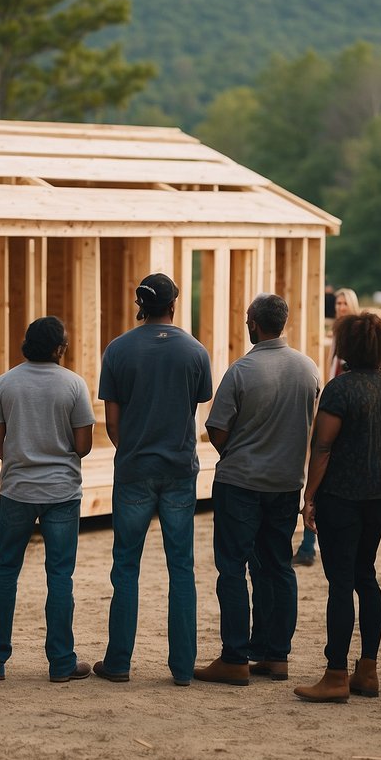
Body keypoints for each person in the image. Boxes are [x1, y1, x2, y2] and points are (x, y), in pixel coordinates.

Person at [194, 294, 320, 687]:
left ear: (254, 324)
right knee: (277, 566)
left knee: (232, 568)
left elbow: (216, 427)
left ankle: (235, 657)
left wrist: (233, 451)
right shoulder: (307, 368)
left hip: (241, 482)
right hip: (286, 483)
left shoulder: (242, 370)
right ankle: (275, 655)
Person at [94, 273, 212, 686]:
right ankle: (182, 669)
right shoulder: (195, 351)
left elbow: (112, 420)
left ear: (140, 304)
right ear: (173, 306)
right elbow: (197, 406)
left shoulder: (119, 350)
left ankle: (119, 663)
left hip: (134, 471)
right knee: (181, 568)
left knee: (125, 566)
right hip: (180, 471)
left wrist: (130, 449)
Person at [293, 312, 381, 703]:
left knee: (340, 583)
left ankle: (335, 673)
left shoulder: (339, 389)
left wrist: (309, 497)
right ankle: (368, 670)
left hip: (342, 496)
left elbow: (323, 447)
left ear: (346, 347)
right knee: (367, 576)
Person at [0, 317, 96, 683]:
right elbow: (83, 446)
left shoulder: (6, 382)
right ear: (60, 348)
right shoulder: (74, 385)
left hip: (17, 489)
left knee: (5, 570)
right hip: (61, 492)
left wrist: (20, 459)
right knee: (60, 576)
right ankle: (61, 662)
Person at [295, 286, 360, 567]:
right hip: (332, 402)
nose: (340, 307)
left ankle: (312, 545)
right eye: (338, 302)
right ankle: (310, 545)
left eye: (345, 303)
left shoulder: (355, 332)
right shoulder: (336, 331)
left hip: (344, 406)